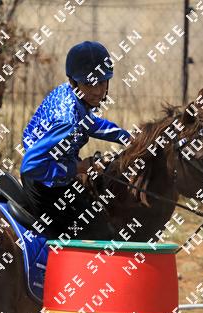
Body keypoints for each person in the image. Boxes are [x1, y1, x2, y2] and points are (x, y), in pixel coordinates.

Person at [19, 41, 131, 240]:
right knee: (98, 232)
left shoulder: (74, 96)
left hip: (59, 177)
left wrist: (129, 138)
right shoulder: (66, 120)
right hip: (44, 185)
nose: (97, 91)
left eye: (102, 82)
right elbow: (30, 166)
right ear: (74, 82)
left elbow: (91, 123)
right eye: (89, 84)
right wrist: (78, 168)